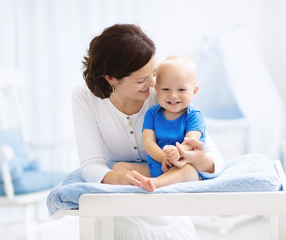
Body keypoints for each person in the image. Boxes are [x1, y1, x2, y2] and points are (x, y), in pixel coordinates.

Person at [72, 23, 224, 240]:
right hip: (117, 217)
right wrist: (118, 178)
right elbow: (91, 165)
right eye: (142, 79)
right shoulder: (84, 97)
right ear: (110, 78)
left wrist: (199, 160)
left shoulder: (164, 94)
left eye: (153, 73)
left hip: (169, 218)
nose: (153, 83)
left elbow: (215, 160)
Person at [113, 55, 206, 192]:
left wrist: (176, 153)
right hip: (158, 165)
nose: (173, 95)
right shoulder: (152, 113)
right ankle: (146, 181)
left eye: (181, 90)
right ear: (156, 89)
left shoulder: (194, 115)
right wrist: (164, 157)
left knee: (189, 171)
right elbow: (148, 141)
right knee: (118, 167)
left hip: (182, 165)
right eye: (166, 89)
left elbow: (191, 142)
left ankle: (154, 182)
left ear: (194, 91)